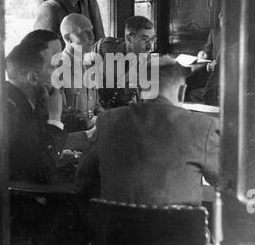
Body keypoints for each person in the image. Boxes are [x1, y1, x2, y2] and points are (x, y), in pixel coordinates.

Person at [76, 56, 223, 206]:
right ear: (182, 92)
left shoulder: (107, 120)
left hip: (117, 226)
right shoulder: (203, 127)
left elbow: (84, 178)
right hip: (178, 227)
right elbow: (224, 182)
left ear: (139, 90)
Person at [6, 37, 91, 245]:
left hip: (28, 203)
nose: (60, 71)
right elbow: (41, 169)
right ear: (33, 78)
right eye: (53, 67)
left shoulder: (27, 101)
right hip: (15, 218)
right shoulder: (10, 108)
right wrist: (55, 117)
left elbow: (41, 152)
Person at [93, 15, 155, 108]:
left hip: (125, 109)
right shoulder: (105, 48)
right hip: (99, 109)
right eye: (144, 39)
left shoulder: (147, 61)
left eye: (152, 39)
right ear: (129, 38)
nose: (150, 47)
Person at [59, 13, 100, 132]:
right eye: (84, 32)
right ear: (68, 38)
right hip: (71, 142)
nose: (92, 36)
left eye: (91, 31)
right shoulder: (57, 70)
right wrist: (89, 122)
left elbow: (96, 107)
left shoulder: (91, 65)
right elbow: (60, 117)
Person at [185, 12, 222, 105]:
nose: (223, 24)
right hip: (209, 72)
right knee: (188, 83)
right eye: (221, 19)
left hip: (223, 76)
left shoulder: (240, 35)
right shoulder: (215, 32)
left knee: (194, 94)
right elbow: (208, 50)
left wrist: (218, 67)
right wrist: (203, 53)